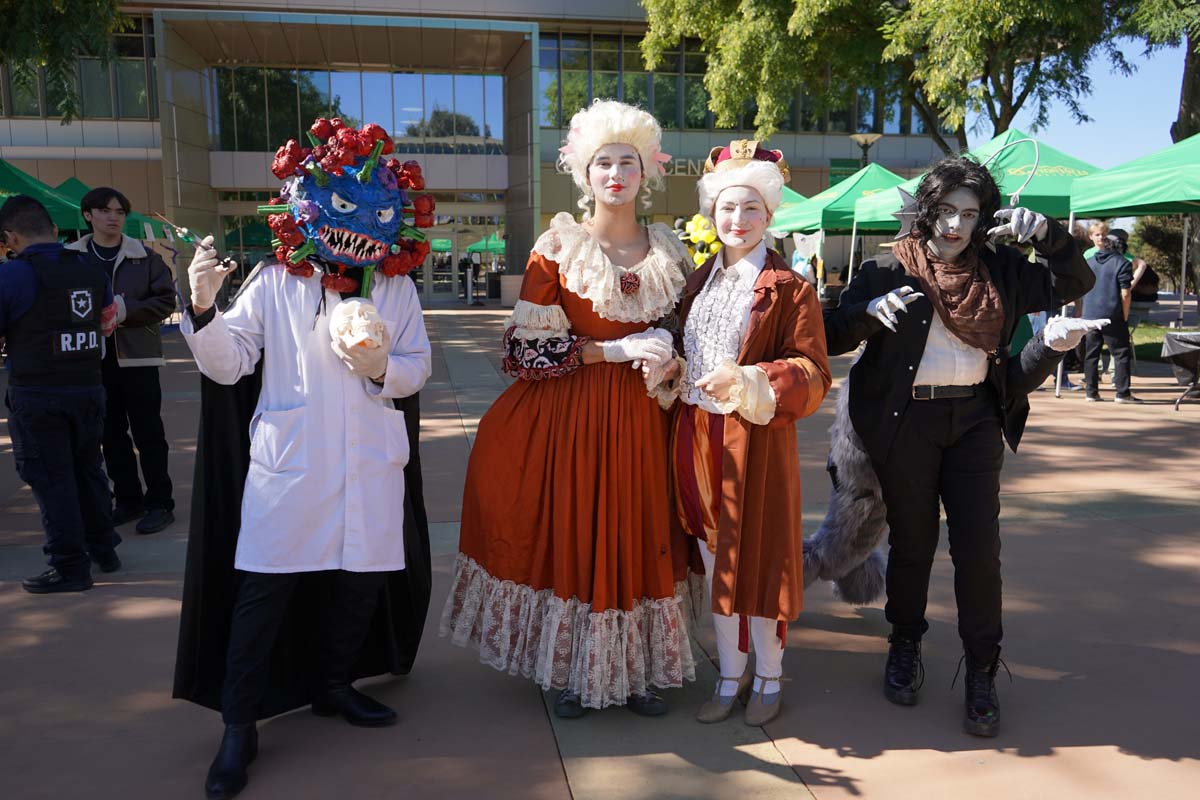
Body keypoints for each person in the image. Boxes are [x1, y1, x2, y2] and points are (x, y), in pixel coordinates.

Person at [174, 118, 433, 799]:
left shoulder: (395, 289)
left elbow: (417, 365)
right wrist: (202, 307)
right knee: (264, 593)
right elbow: (229, 365)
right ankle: (239, 724)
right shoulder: (275, 282)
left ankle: (333, 685)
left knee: (358, 587)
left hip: (370, 462)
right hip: (291, 465)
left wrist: (383, 369)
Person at [440, 100, 699, 718]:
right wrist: (610, 350)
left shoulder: (671, 251)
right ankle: (571, 671)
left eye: (627, 162)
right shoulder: (558, 247)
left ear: (646, 172)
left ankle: (635, 672)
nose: (616, 174)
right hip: (572, 419)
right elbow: (523, 352)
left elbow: (687, 339)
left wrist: (670, 361)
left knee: (641, 533)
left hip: (645, 420)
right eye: (603, 163)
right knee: (576, 532)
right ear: (584, 174)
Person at [823, 155, 1095, 737]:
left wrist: (1047, 234)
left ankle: (981, 670)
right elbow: (830, 334)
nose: (955, 226)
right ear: (926, 210)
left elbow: (1077, 282)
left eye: (969, 215)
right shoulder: (885, 269)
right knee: (913, 543)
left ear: (983, 219)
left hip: (975, 420)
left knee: (979, 550)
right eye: (945, 211)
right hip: (907, 423)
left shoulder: (1002, 269)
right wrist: (867, 314)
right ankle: (904, 644)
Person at [655, 140, 831, 726]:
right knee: (715, 561)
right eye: (727, 207)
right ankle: (730, 677)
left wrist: (753, 379)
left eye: (751, 207)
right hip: (693, 436)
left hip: (753, 443)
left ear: (770, 213)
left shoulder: (791, 287)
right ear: (711, 211)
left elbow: (814, 373)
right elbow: (689, 349)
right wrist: (673, 368)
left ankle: (769, 677)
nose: (738, 219)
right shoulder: (698, 281)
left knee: (760, 559)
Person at [0, 195, 120, 593]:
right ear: (53, 230)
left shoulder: (10, 276)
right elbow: (107, 325)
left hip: (37, 393)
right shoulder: (90, 268)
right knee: (89, 470)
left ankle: (70, 566)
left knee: (53, 480)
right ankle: (104, 549)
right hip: (88, 388)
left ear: (10, 237)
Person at [65, 187, 178, 534]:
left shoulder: (146, 258)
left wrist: (125, 310)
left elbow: (166, 301)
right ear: (88, 215)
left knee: (149, 432)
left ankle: (160, 502)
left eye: (119, 211)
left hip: (138, 358)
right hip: (92, 359)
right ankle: (128, 500)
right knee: (110, 433)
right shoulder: (71, 258)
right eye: (105, 211)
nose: (113, 217)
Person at [1079, 227, 1141, 403]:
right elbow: (1126, 293)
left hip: (1090, 315)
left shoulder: (1088, 262)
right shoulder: (1122, 263)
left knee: (1091, 354)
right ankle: (1122, 393)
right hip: (1112, 315)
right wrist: (1125, 315)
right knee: (1120, 353)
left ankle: (1091, 392)